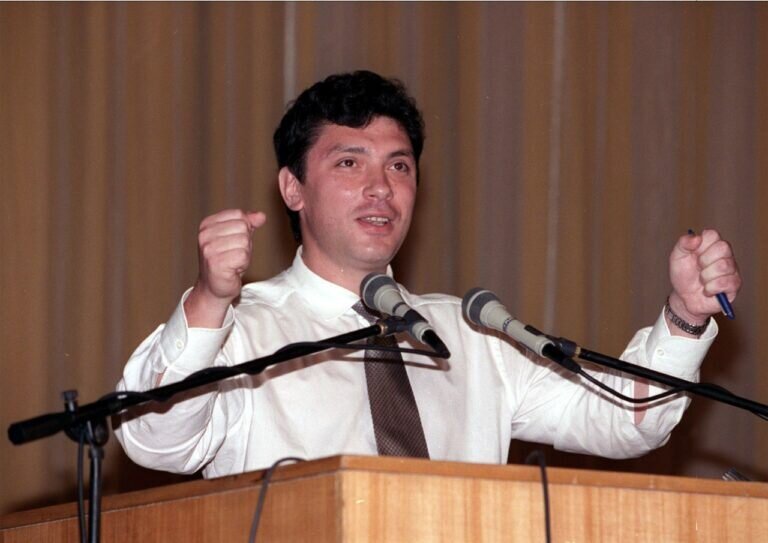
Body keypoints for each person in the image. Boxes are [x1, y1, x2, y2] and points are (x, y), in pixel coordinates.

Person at [114, 70, 741, 477]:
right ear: (292, 188)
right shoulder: (242, 331)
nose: (380, 188)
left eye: (399, 166)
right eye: (350, 163)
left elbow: (623, 419)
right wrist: (208, 301)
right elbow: (153, 440)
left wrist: (685, 316)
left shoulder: (473, 332)